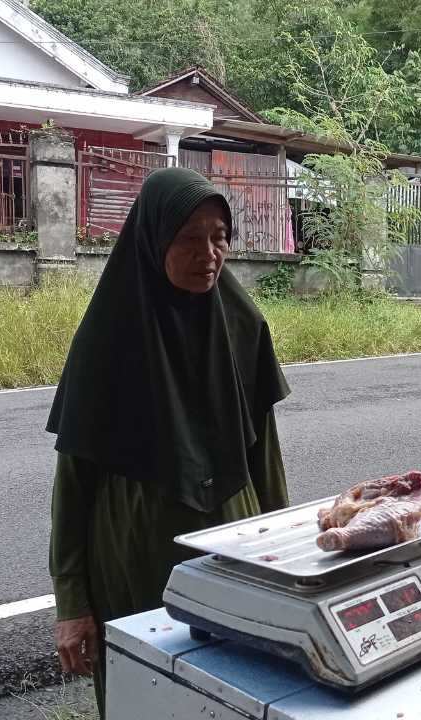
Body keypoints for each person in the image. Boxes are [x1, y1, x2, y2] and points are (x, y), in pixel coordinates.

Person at [46, 168, 291, 716]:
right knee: (147, 691)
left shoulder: (243, 323)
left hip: (233, 534)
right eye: (188, 238)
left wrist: (287, 564)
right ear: (154, 240)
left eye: (219, 236)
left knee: (239, 689)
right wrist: (73, 603)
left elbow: (265, 458)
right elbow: (74, 482)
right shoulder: (109, 338)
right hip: (136, 545)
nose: (208, 253)